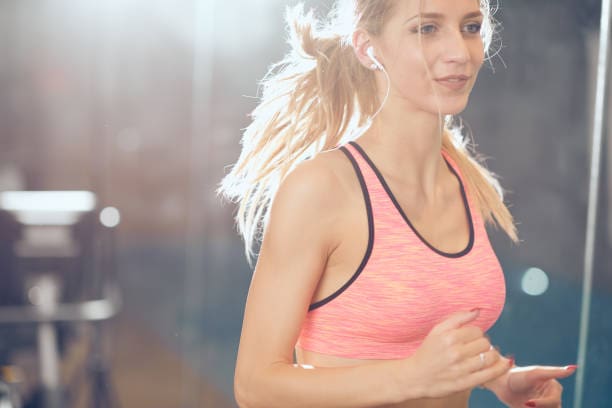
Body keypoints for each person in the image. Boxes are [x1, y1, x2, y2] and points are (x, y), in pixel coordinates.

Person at [219, 0, 577, 407]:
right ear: (368, 48)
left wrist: (499, 378)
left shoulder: (461, 176)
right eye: (427, 29)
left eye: (471, 27)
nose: (459, 52)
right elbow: (254, 387)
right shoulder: (323, 188)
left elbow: (431, 319)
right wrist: (411, 377)